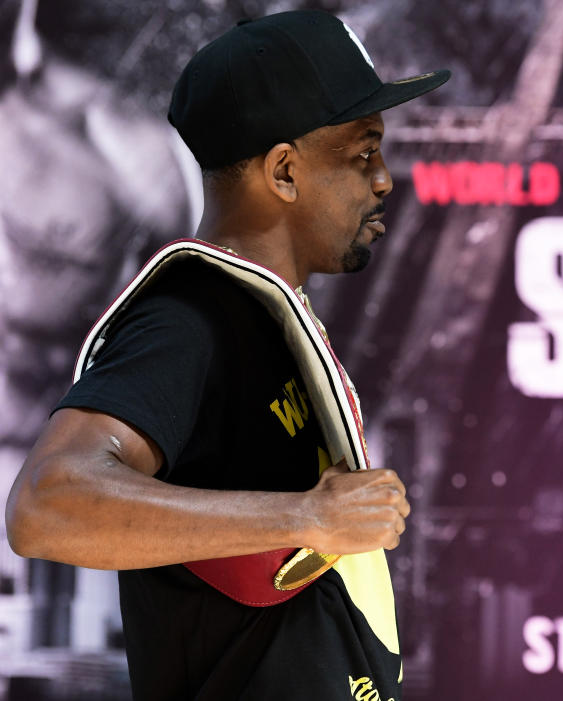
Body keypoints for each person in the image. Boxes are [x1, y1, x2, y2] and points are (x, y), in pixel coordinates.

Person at [5, 9, 448, 700]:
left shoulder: (265, 316)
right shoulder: (191, 319)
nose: (385, 179)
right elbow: (44, 504)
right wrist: (308, 515)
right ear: (284, 172)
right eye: (364, 153)